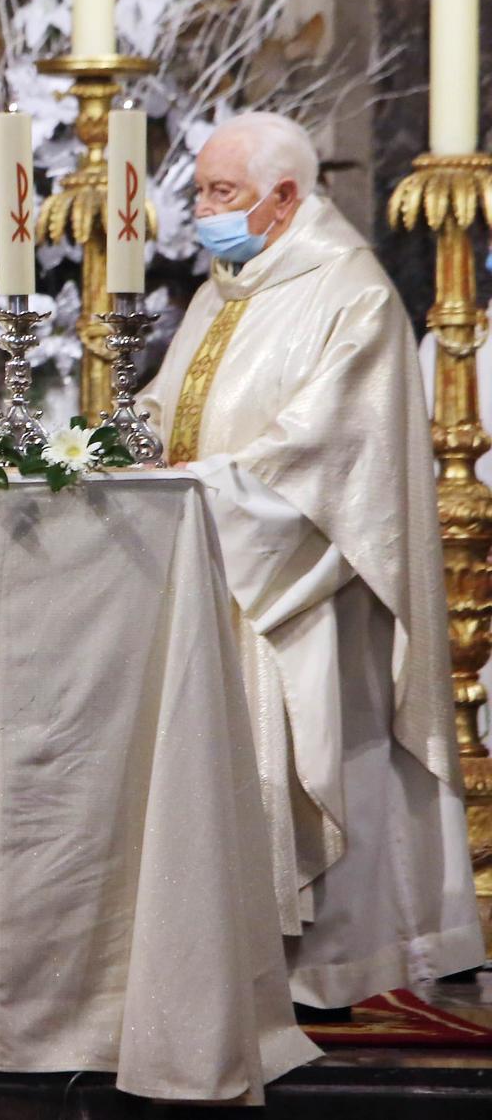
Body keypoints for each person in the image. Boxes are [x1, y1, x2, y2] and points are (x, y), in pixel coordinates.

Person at [141, 112, 483, 1011]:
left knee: (322, 764)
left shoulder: (352, 293)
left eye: (223, 193)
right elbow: (176, 402)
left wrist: (205, 484)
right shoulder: (234, 283)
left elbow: (332, 453)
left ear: (285, 197)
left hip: (305, 588)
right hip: (217, 561)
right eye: (202, 190)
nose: (202, 211)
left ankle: (336, 963)